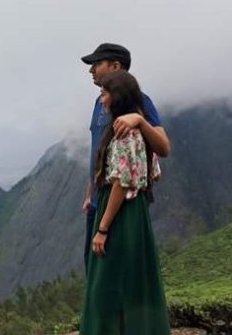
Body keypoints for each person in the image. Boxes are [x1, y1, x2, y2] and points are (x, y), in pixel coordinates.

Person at [80, 70, 170, 334]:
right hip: (134, 210)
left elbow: (121, 181)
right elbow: (153, 171)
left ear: (117, 96)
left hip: (118, 211)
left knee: (106, 279)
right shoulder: (134, 127)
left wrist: (103, 229)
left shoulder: (124, 131)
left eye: (105, 94)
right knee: (134, 275)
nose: (102, 100)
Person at [80, 43, 170, 271]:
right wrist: (90, 190)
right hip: (98, 200)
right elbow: (100, 147)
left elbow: (163, 147)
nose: (91, 70)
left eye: (97, 64)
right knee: (94, 269)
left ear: (116, 66)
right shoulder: (99, 103)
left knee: (116, 272)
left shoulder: (140, 101)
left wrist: (138, 120)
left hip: (123, 200)